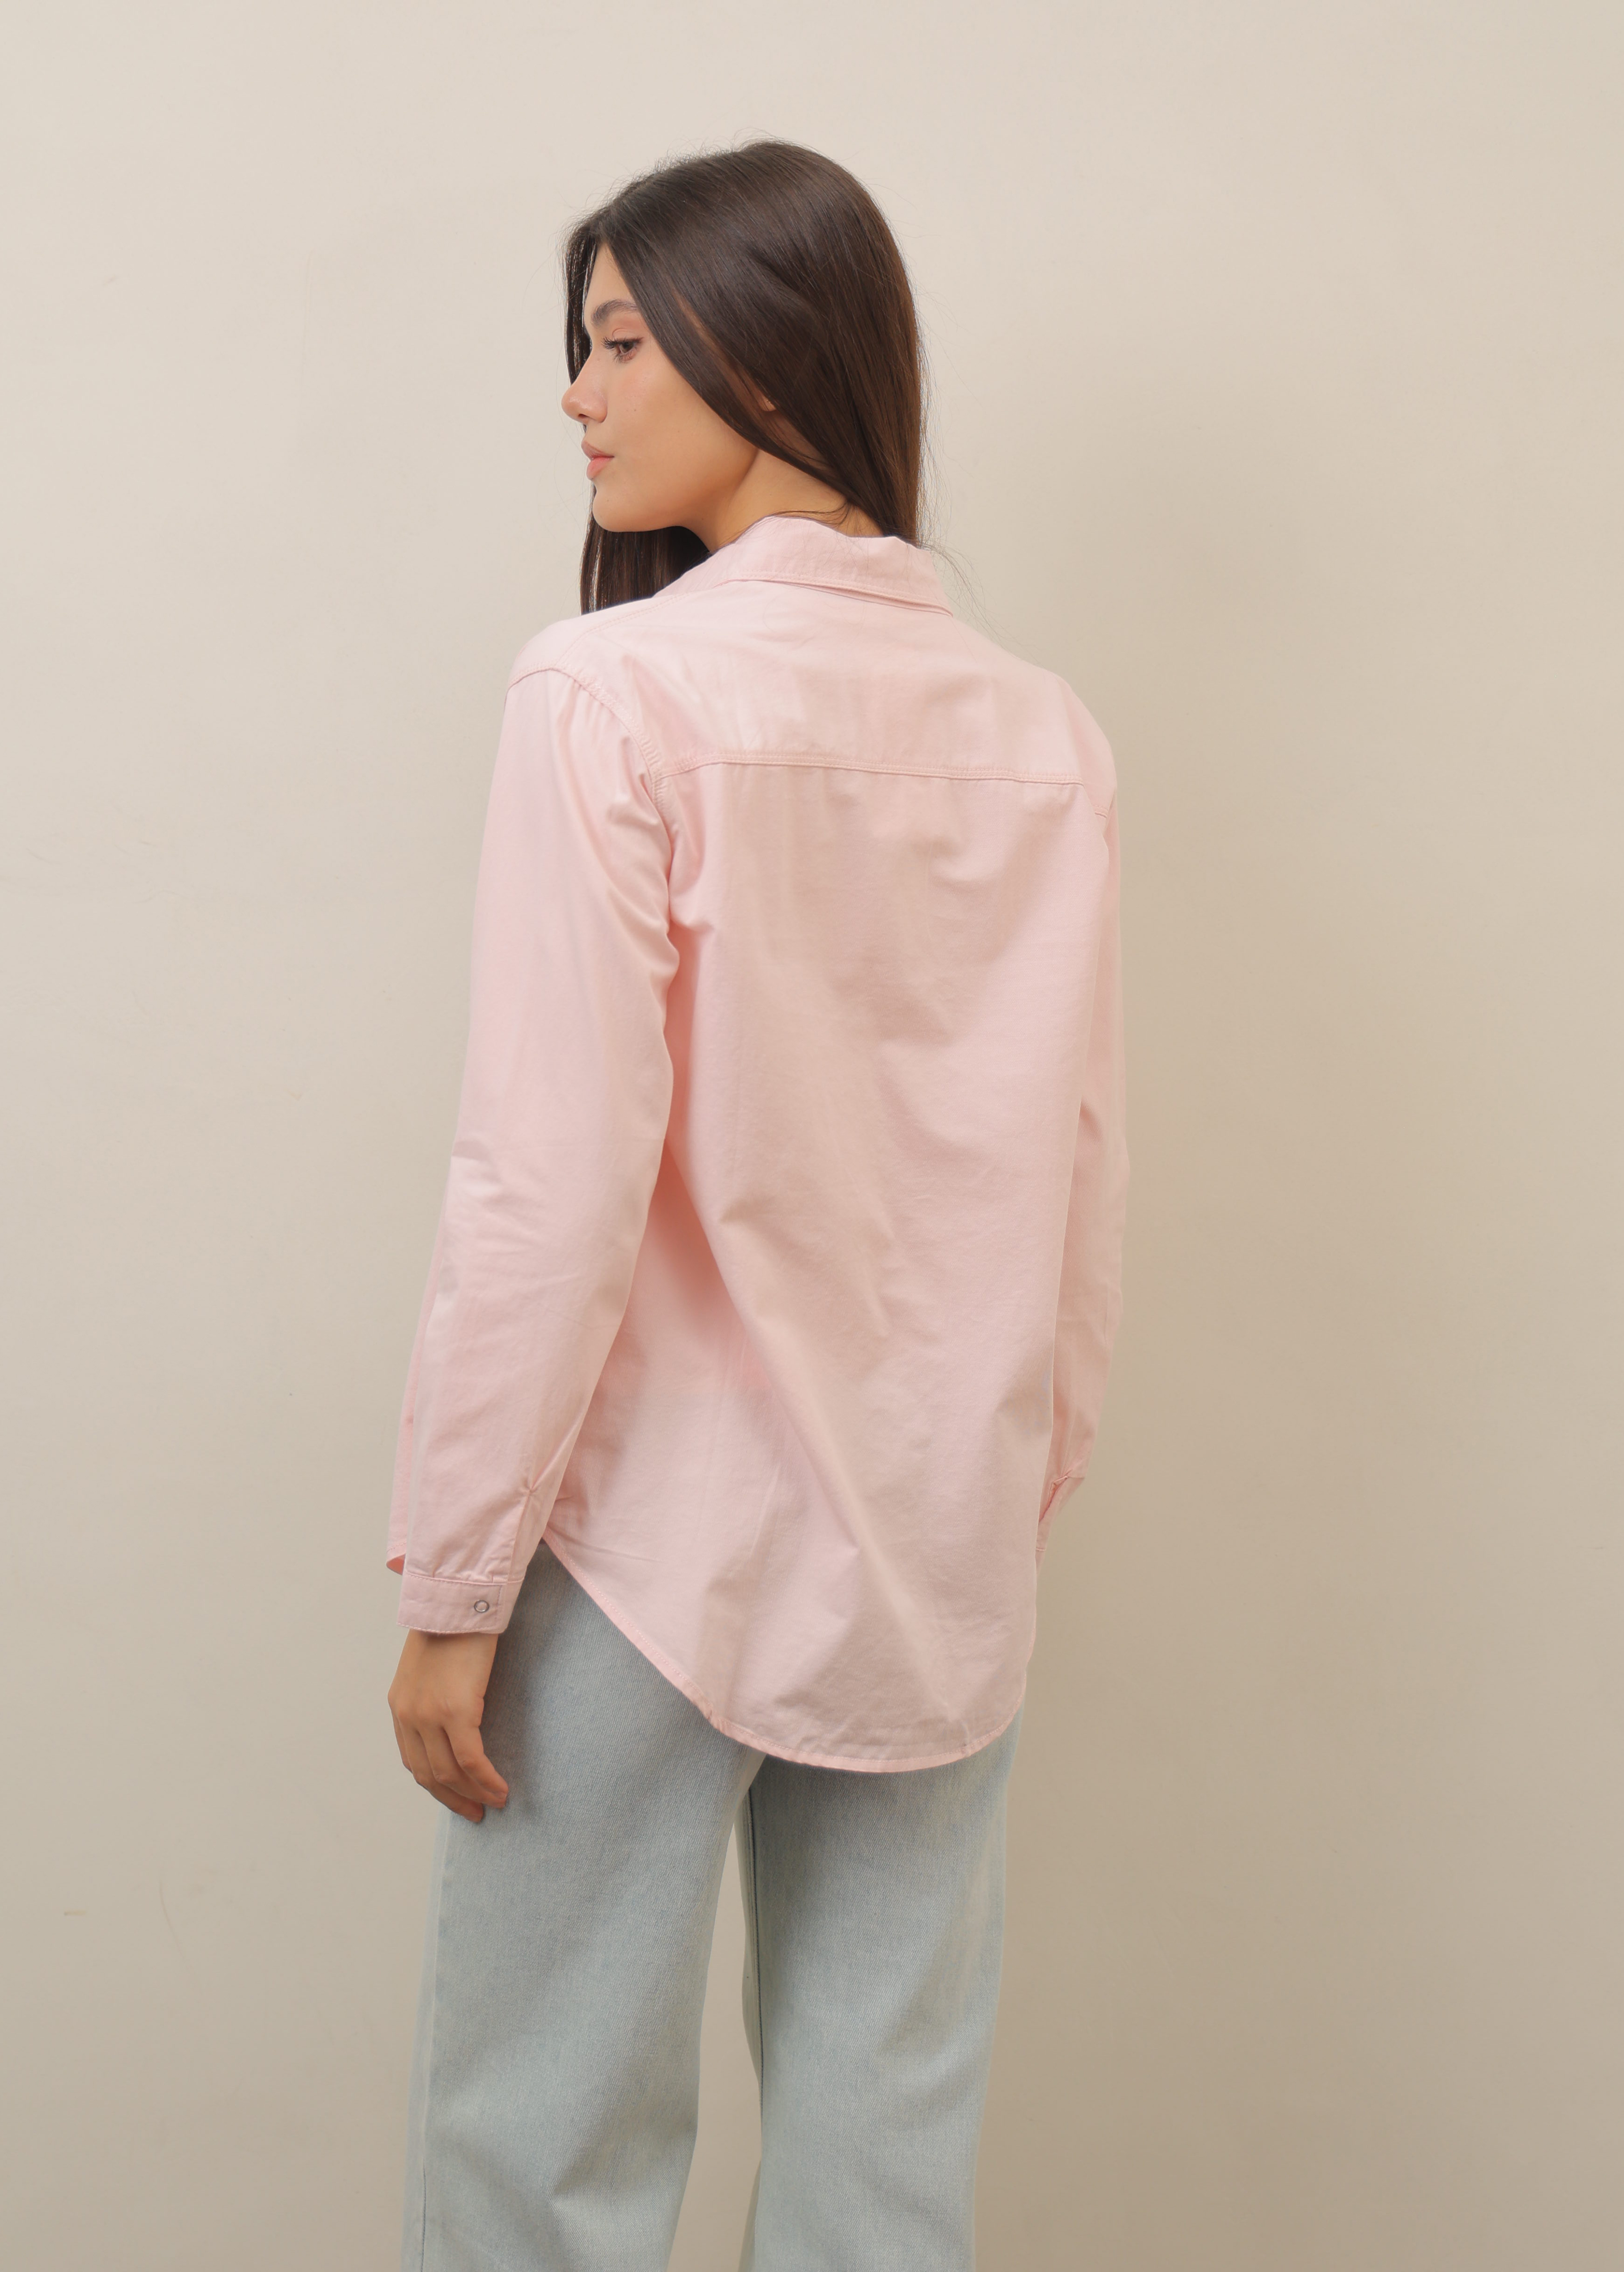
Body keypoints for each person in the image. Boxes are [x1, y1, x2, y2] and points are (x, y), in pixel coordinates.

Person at [383, 138, 1128, 2272]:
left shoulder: (609, 688)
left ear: (769, 351)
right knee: (885, 2160)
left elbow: (545, 1178)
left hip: (648, 1531)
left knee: (539, 2154)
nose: (578, 391)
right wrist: (1008, 1495)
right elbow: (1075, 1176)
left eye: (622, 340)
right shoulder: (1042, 733)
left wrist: (455, 1569)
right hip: (937, 1541)